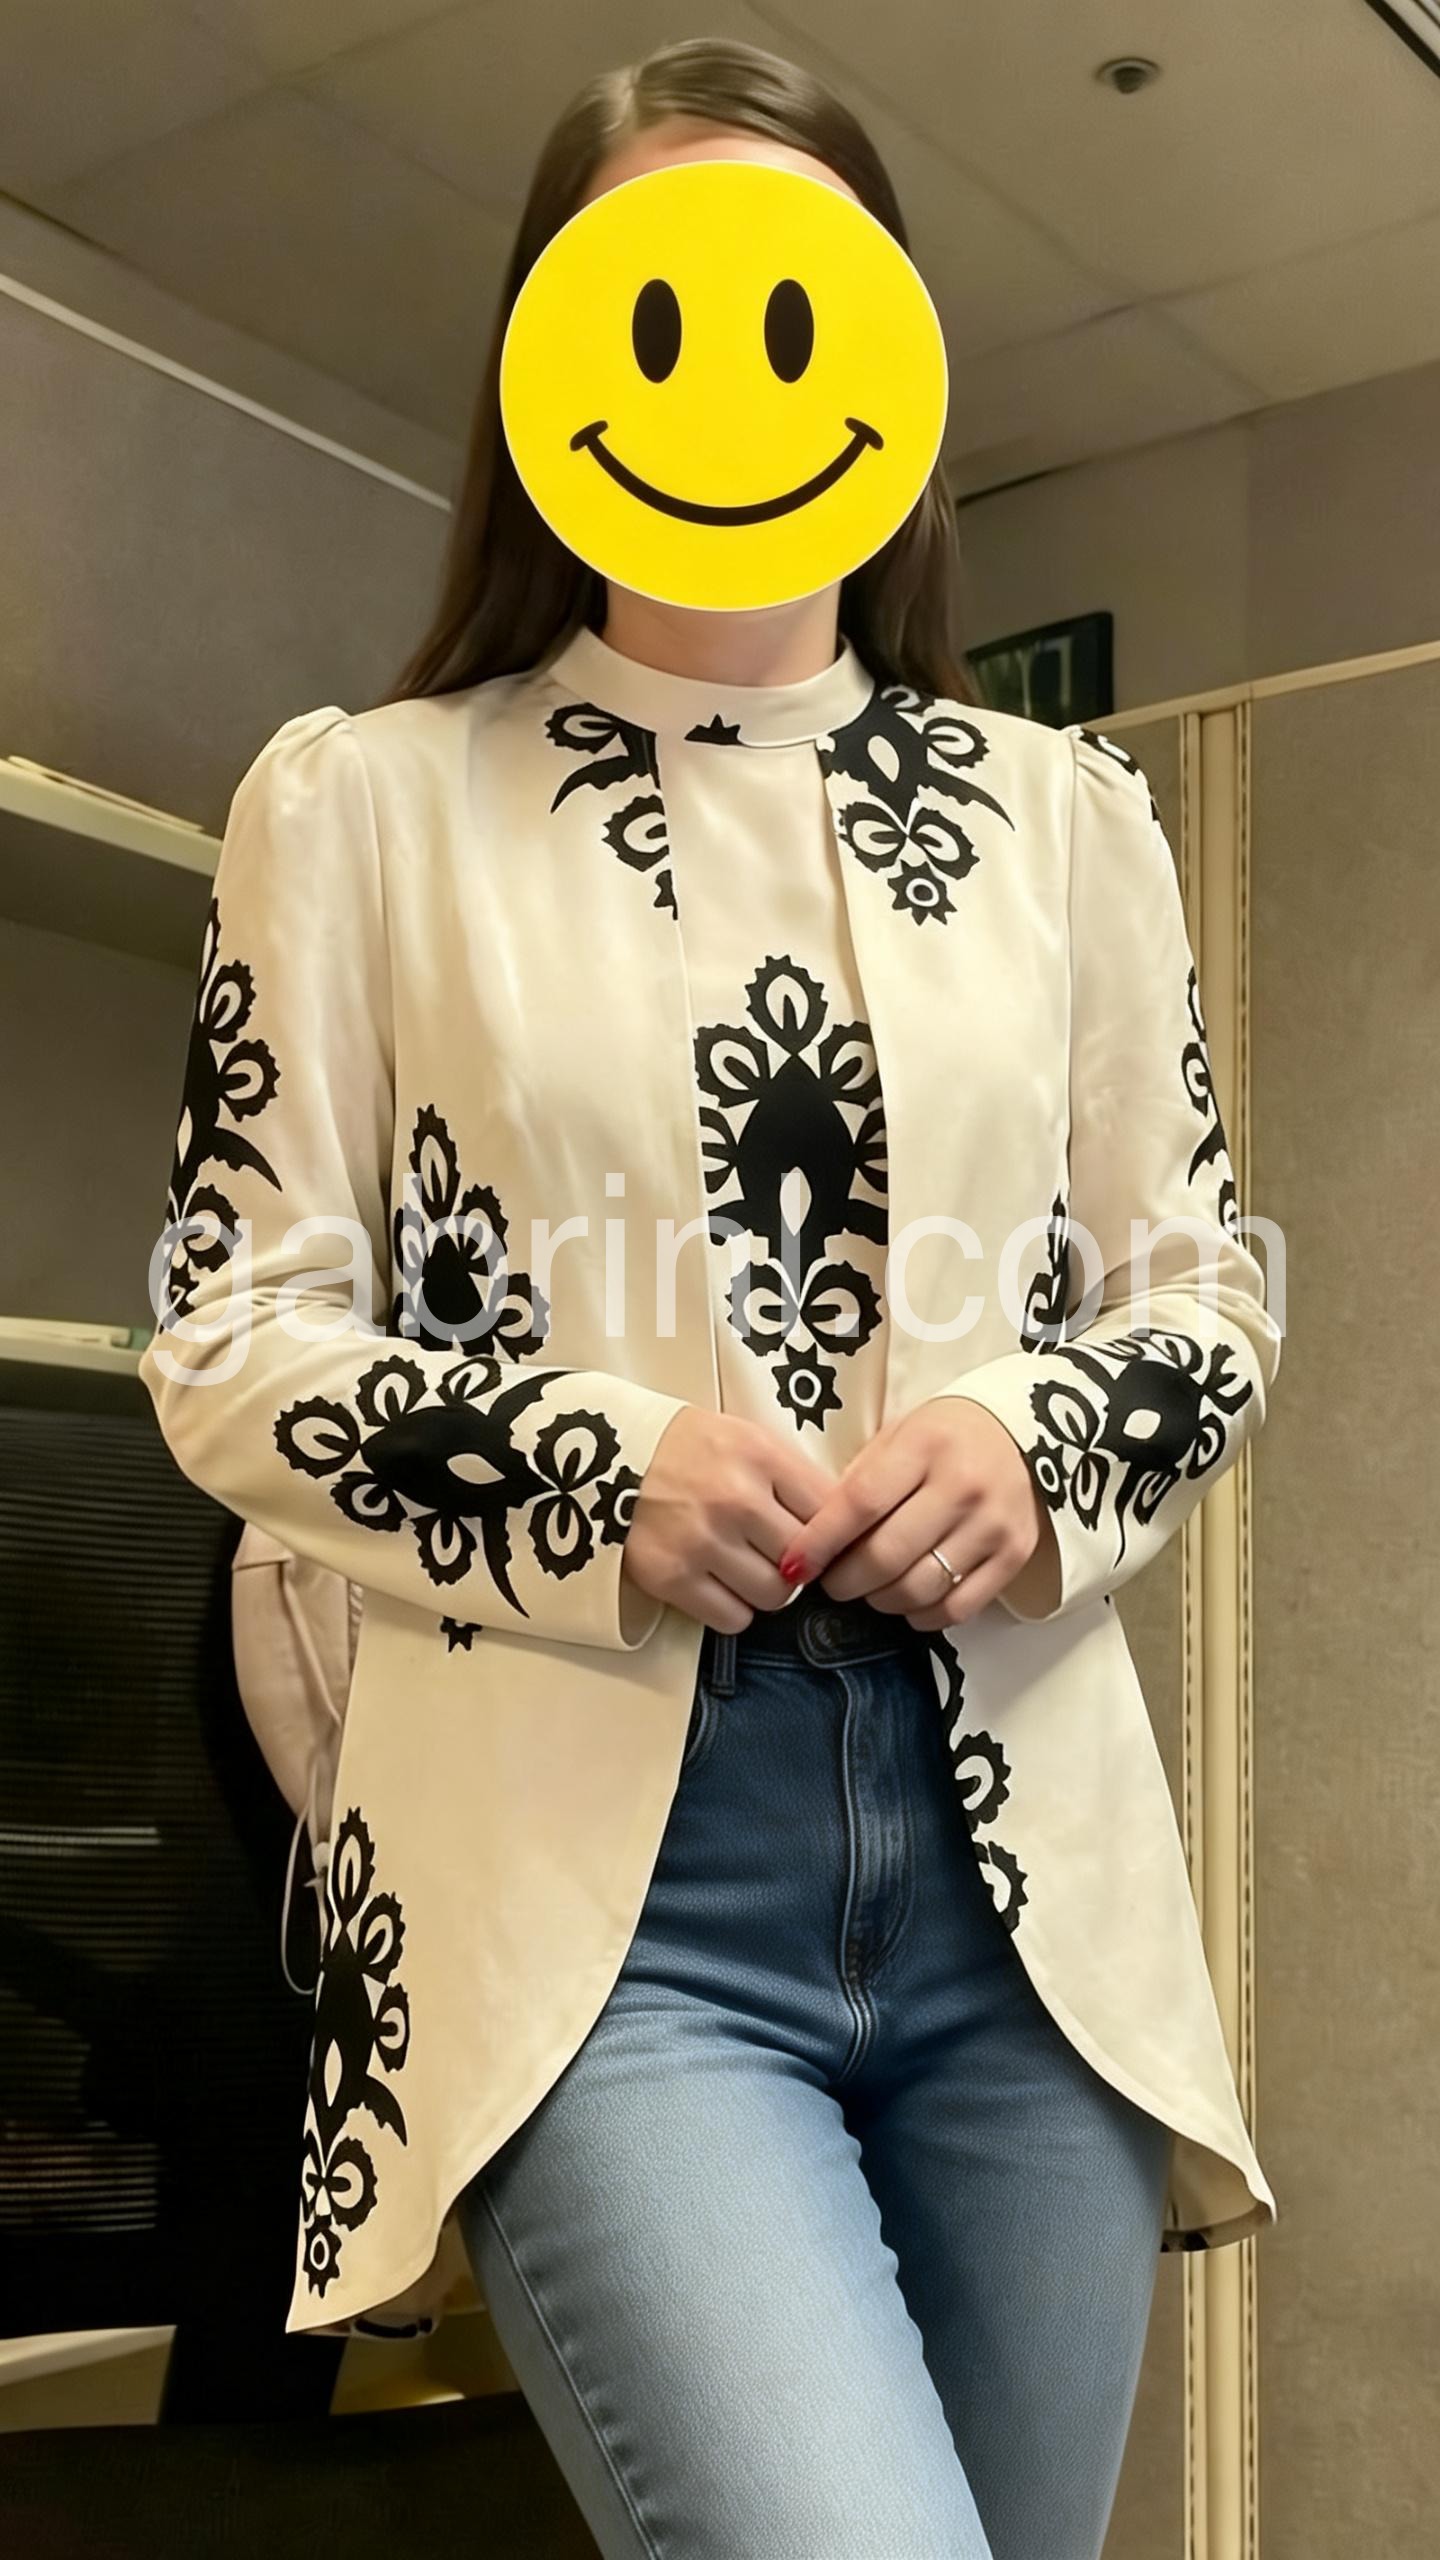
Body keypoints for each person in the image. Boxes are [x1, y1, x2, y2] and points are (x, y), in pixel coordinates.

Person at [139, 36, 1282, 2560]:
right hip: (597, 1890)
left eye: (793, 309)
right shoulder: (360, 803)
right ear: (550, 363)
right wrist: (591, 1468)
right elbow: (228, 1333)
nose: (729, 375)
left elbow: (1205, 1292)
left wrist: (1038, 1444)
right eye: (655, 310)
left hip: (1026, 1882)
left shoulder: (1070, 823)